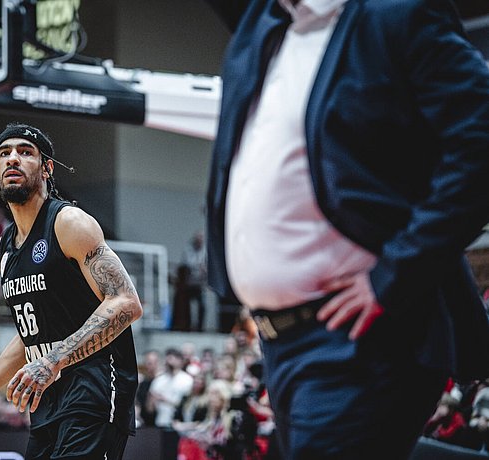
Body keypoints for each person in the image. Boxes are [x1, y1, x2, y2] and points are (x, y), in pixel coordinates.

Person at [204, 1, 489, 459]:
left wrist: (395, 274)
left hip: (359, 339)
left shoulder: (396, 14)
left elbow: (480, 143)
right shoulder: (268, 24)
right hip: (282, 343)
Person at [0, 123, 142, 460]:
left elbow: (126, 302)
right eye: (4, 153)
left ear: (47, 168)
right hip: (46, 397)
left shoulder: (69, 223)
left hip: (95, 384)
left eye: (25, 152)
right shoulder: (5, 247)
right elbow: (31, 335)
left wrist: (54, 360)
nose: (13, 159)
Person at [147, 347, 194, 428]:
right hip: (160, 422)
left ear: (180, 361)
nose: (169, 361)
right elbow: (149, 407)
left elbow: (188, 405)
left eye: (172, 358)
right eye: (167, 358)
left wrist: (165, 400)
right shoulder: (158, 380)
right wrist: (152, 402)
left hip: (180, 423)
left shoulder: (187, 380)